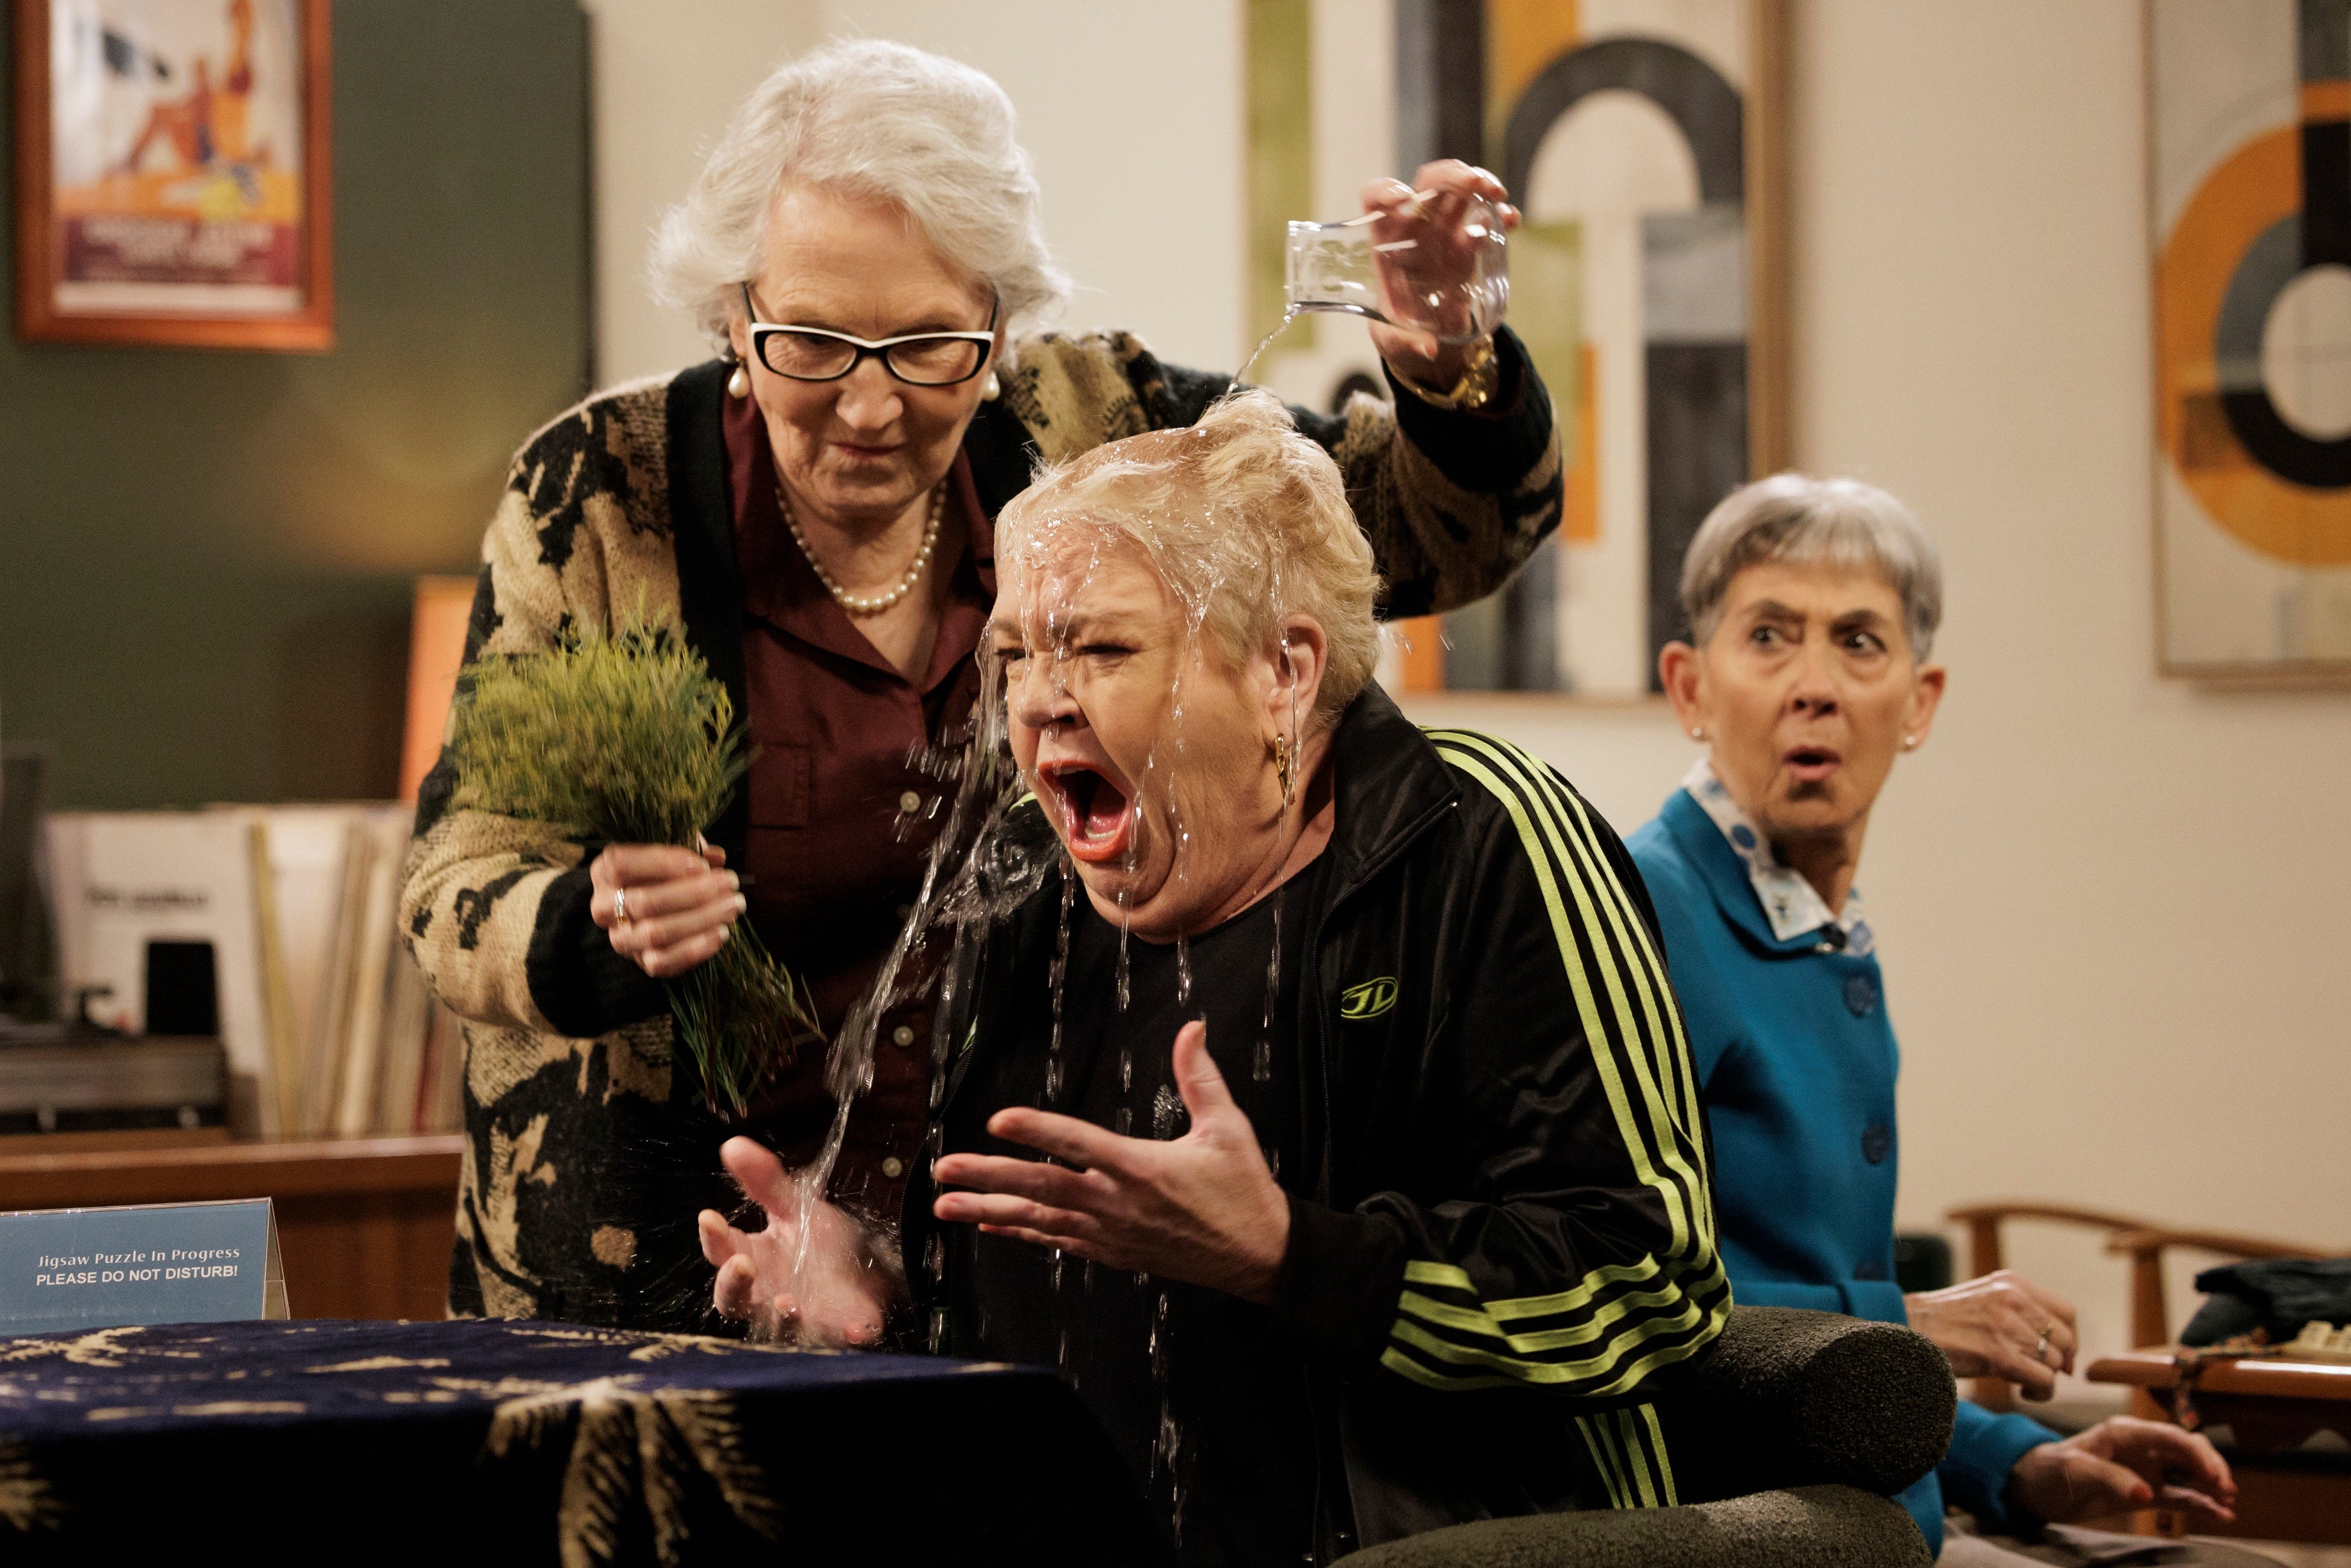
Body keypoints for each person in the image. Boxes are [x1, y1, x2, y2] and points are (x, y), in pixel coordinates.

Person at [401, 37, 1565, 1326]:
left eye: (929, 346)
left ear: (1003, 327)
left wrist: (1448, 369)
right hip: (650, 1272)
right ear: (732, 313)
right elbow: (456, 878)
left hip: (1009, 1269)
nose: (868, 406)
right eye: (810, 343)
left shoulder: (1102, 432)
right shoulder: (598, 499)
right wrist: (589, 921)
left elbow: (1431, 535)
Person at [696, 392, 1726, 1564]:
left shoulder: (1476, 832)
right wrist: (874, 1290)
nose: (1039, 700)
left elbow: (1654, 1283)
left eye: (1102, 648)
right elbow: (1033, 1281)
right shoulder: (1021, 875)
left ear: (1284, 667)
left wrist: (1289, 1256)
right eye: (1018, 654)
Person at [1625, 476, 2253, 1564]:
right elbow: (1612, 1308)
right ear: (1690, 686)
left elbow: (1834, 1360)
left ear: (1919, 702)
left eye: (1858, 642)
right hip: (1750, 1532)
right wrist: (1908, 1321)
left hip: (1871, 1509)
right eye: (1769, 635)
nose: (1814, 686)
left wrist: (2017, 1461)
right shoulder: (1646, 909)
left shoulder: (1823, 932)